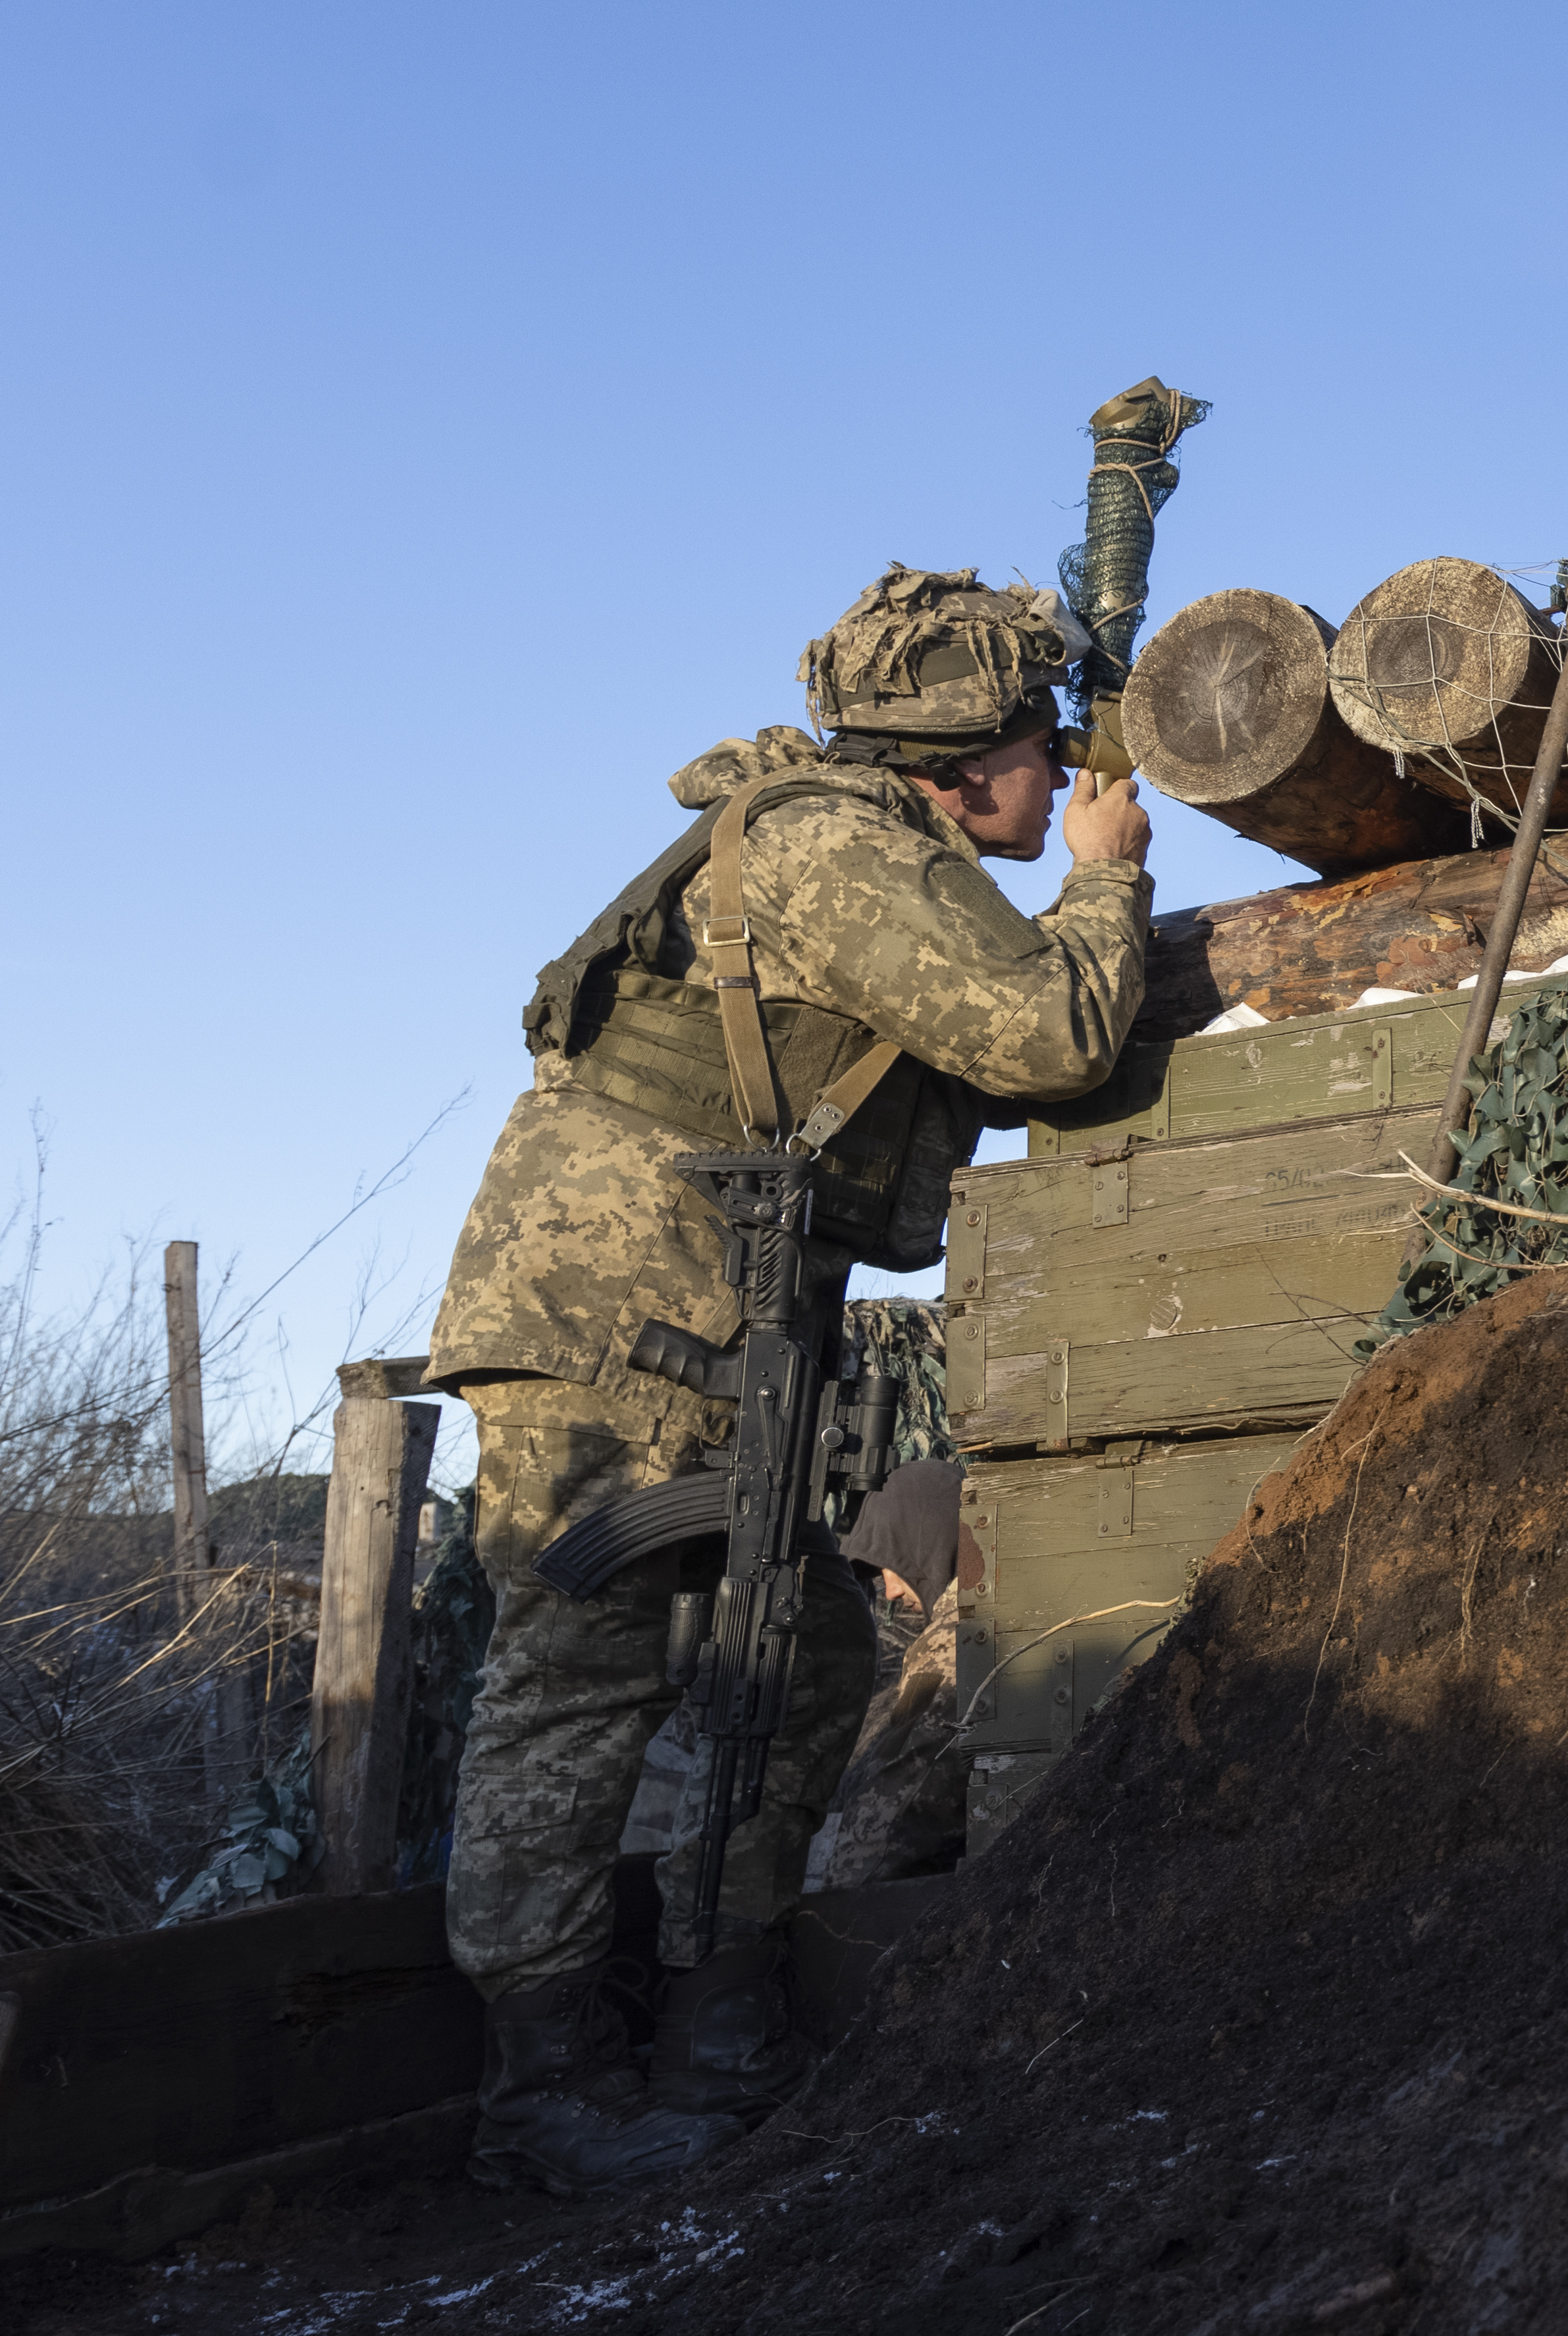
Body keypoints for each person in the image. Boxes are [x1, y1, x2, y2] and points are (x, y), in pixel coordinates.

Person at [423, 564, 1151, 2194]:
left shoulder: (865, 835)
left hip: (699, 1304)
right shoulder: (838, 844)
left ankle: (716, 2021)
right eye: (1048, 756)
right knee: (578, 1672)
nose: (1073, 785)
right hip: (610, 1312)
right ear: (957, 767)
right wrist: (1106, 883)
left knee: (807, 1652)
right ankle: (538, 2090)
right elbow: (1047, 1034)